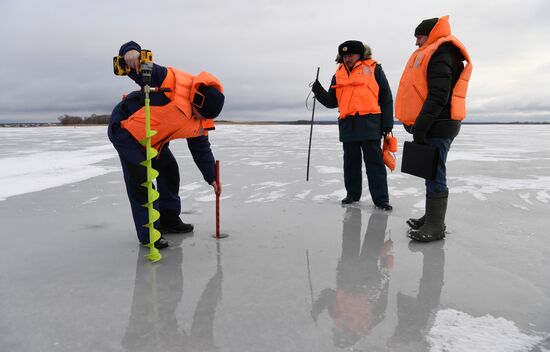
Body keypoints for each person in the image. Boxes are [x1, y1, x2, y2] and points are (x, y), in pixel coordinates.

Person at [108, 41, 225, 249]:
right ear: (196, 100)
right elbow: (138, 67)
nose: (199, 120)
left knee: (169, 170)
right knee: (141, 181)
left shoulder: (201, 118)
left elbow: (201, 149)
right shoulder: (172, 82)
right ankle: (149, 234)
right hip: (127, 131)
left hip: (155, 139)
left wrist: (212, 178)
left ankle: (169, 220)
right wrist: (130, 52)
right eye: (199, 114)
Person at [395, 16, 472, 242]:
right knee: (431, 172)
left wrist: (421, 125)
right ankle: (431, 217)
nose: (417, 42)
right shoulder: (439, 52)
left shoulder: (442, 54)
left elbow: (439, 96)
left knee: (436, 173)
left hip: (439, 125)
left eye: (419, 37)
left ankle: (436, 227)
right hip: (436, 123)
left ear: (430, 34)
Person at [312, 41, 394, 210]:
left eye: (351, 55)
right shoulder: (338, 74)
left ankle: (381, 200)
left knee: (374, 164)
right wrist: (319, 92)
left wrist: (387, 125)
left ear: (360, 54)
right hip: (348, 125)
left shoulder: (374, 68)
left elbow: (386, 97)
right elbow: (332, 102)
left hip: (370, 123)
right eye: (345, 56)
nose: (347, 58)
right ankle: (352, 195)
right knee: (351, 164)